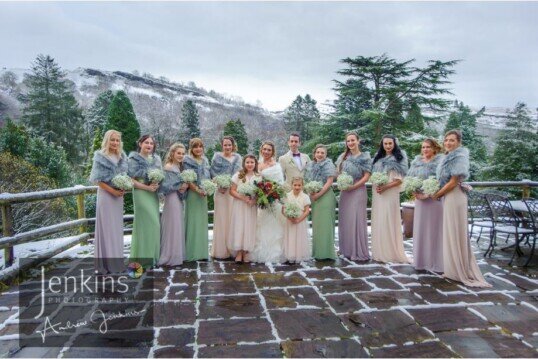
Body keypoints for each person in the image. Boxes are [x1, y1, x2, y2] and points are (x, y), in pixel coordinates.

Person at [432, 130, 491, 287]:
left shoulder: (460, 157)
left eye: (452, 140)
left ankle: (460, 270)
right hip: (448, 196)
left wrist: (438, 194)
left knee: (456, 232)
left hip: (455, 196)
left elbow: (452, 182)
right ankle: (452, 268)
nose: (448, 143)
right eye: (446, 140)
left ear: (459, 142)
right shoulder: (447, 157)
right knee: (450, 232)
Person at [89, 130, 128, 274]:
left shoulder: (122, 157)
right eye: (112, 140)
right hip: (106, 196)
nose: (115, 143)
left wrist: (123, 187)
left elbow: (124, 176)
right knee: (107, 228)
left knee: (116, 228)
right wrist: (113, 191)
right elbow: (97, 180)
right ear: (107, 140)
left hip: (118, 197)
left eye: (117, 140)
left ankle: (117, 262)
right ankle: (106, 264)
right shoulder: (100, 157)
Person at [371, 135, 410, 264]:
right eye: (385, 144)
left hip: (390, 192)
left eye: (390, 143)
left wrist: (385, 187)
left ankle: (390, 252)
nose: (387, 146)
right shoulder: (379, 158)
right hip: (378, 192)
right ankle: (380, 251)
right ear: (382, 145)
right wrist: (377, 185)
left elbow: (399, 180)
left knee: (389, 219)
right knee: (380, 219)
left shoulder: (399, 158)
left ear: (395, 144)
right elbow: (375, 175)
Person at [408, 139, 444, 272]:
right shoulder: (416, 162)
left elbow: (443, 181)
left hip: (434, 200)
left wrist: (429, 193)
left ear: (434, 148)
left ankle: (436, 261)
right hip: (420, 201)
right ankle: (421, 260)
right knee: (421, 229)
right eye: (423, 147)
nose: (425, 150)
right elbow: (410, 179)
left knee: (434, 230)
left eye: (428, 147)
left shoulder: (440, 162)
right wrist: (414, 192)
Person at [335, 132, 372, 261]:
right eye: (348, 141)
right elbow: (338, 172)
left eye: (352, 140)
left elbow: (367, 176)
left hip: (358, 191)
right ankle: (346, 250)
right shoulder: (343, 157)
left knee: (356, 219)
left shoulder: (365, 157)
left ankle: (357, 251)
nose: (350, 143)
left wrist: (354, 186)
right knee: (346, 219)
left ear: (358, 141)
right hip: (345, 192)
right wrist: (342, 182)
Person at [128, 135, 162, 267]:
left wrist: (156, 182)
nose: (149, 145)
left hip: (153, 194)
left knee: (154, 225)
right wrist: (146, 187)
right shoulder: (133, 159)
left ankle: (152, 257)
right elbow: (131, 179)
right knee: (150, 223)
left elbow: (160, 176)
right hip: (141, 193)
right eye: (146, 142)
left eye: (151, 143)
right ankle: (143, 258)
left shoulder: (156, 159)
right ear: (140, 143)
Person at [251, 141, 286, 263]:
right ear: (261, 150)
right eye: (264, 149)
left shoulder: (276, 166)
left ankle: (274, 253)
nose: (266, 152)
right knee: (260, 225)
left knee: (273, 226)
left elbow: (280, 184)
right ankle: (259, 252)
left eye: (269, 150)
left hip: (273, 200)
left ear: (273, 152)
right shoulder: (257, 164)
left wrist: (272, 193)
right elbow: (252, 181)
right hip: (260, 201)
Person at [210, 136, 242, 259]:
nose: (227, 147)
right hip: (220, 192)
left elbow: (239, 174)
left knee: (232, 219)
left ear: (233, 146)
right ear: (222, 145)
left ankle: (232, 249)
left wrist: (229, 185)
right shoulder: (216, 157)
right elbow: (213, 172)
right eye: (225, 145)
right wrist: (219, 184)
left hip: (233, 191)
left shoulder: (238, 157)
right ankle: (221, 251)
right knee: (221, 219)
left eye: (229, 145)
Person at [158, 143, 189, 267]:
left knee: (177, 224)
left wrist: (183, 188)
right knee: (172, 224)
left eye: (182, 153)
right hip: (171, 199)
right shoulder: (169, 166)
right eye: (178, 153)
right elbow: (165, 186)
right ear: (172, 153)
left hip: (178, 198)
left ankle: (177, 254)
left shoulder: (179, 167)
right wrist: (180, 186)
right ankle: (169, 255)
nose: (181, 155)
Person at [305, 144, 338, 260]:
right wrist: (311, 192)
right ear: (314, 154)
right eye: (318, 152)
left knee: (326, 224)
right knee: (317, 225)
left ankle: (327, 253)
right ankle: (318, 252)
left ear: (326, 154)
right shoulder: (310, 165)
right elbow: (307, 180)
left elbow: (329, 181)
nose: (320, 154)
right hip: (314, 197)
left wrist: (319, 194)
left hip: (325, 196)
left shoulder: (329, 164)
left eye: (322, 153)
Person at [228, 155, 261, 263]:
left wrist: (253, 200)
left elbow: (261, 193)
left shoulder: (259, 176)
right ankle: (239, 252)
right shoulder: (238, 175)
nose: (250, 164)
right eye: (247, 162)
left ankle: (246, 251)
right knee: (240, 226)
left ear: (255, 163)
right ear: (244, 163)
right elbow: (232, 191)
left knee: (249, 227)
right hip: (240, 205)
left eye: (252, 162)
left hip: (251, 206)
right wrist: (243, 198)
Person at [183, 138, 211, 261]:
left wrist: (208, 189)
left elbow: (208, 176)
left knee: (201, 222)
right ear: (191, 148)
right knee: (193, 221)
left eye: (200, 146)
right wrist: (198, 190)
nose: (198, 149)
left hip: (203, 194)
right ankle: (191, 252)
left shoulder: (205, 160)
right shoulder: (187, 160)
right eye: (195, 146)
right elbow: (188, 179)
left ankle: (202, 252)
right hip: (193, 194)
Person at [282, 177, 311, 263]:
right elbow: (283, 210)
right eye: (295, 185)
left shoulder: (305, 196)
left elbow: (307, 211)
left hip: (300, 221)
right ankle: (290, 255)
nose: (297, 187)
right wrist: (289, 217)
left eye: (299, 185)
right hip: (289, 221)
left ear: (302, 186)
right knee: (290, 237)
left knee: (299, 237)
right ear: (291, 185)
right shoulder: (287, 196)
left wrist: (298, 220)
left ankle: (299, 255)